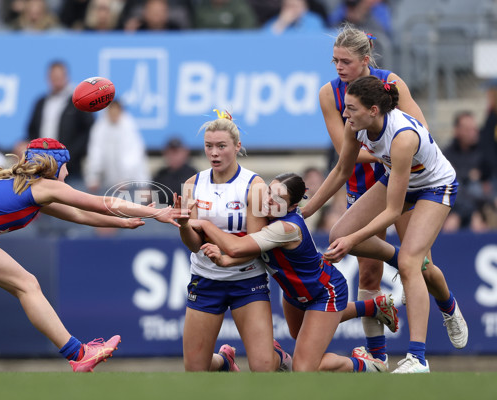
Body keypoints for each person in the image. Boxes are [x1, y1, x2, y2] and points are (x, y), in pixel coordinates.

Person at [0, 138, 182, 373]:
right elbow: (103, 202)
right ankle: (78, 353)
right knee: (27, 284)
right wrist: (156, 211)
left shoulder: (27, 187)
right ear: (54, 166)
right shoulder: (44, 186)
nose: (68, 173)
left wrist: (122, 223)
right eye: (66, 166)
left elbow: (79, 214)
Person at [318, 24, 468, 369]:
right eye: (335, 61)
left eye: (345, 61)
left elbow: (421, 133)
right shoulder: (329, 94)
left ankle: (447, 306)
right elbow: (345, 153)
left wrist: (383, 152)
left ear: (365, 60)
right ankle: (378, 357)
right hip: (364, 180)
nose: (339, 68)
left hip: (406, 177)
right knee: (370, 275)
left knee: (421, 267)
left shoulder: (391, 83)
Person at [188, 172, 399, 372]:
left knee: (304, 368)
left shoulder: (285, 228)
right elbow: (252, 250)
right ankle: (372, 307)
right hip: (294, 293)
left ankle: (366, 365)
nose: (269, 200)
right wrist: (224, 261)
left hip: (324, 291)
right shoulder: (265, 215)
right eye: (269, 192)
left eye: (278, 198)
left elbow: (237, 247)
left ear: (292, 205)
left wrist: (205, 224)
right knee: (297, 335)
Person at [173, 110, 292, 372]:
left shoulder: (255, 185)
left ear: (237, 146)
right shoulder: (193, 183)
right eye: (208, 146)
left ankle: (278, 358)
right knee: (195, 370)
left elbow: (255, 244)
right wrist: (183, 225)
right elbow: (194, 245)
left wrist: (225, 258)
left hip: (246, 279)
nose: (214, 153)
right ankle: (224, 362)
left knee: (262, 368)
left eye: (221, 146)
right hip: (205, 279)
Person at [27, 60, 93, 186]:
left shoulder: (77, 102)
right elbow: (32, 130)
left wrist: (68, 156)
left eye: (59, 76)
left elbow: (88, 131)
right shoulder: (41, 102)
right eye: (53, 77)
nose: (56, 80)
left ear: (66, 76)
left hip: (71, 170)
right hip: (44, 170)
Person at [84, 100, 150, 194]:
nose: (114, 114)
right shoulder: (100, 128)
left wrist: (125, 179)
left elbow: (134, 155)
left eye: (116, 111)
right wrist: (93, 177)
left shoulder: (129, 127)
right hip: (108, 184)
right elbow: (95, 153)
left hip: (131, 184)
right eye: (111, 111)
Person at [442, 111, 492, 231]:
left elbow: (487, 189)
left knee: (474, 187)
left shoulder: (485, 153)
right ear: (457, 130)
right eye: (468, 129)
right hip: (455, 208)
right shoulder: (446, 155)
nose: (473, 133)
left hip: (481, 209)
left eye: (474, 129)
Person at [152, 137, 198, 206]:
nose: (172, 156)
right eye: (169, 153)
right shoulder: (161, 174)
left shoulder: (193, 174)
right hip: (161, 213)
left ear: (185, 153)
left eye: (176, 152)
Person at [261, 0, 326, 35]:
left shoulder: (314, 20)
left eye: (296, 6)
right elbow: (263, 39)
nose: (293, 10)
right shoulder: (276, 21)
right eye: (290, 6)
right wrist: (282, 23)